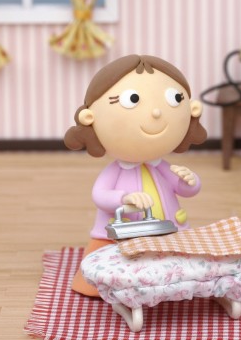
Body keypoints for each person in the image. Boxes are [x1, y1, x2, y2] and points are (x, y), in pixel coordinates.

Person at [64, 54, 207, 297]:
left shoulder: (162, 167)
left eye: (175, 99)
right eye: (133, 100)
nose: (156, 112)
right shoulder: (116, 171)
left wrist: (189, 181)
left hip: (168, 233)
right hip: (118, 237)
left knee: (177, 265)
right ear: (90, 118)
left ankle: (168, 283)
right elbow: (100, 195)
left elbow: (183, 189)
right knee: (104, 265)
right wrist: (124, 198)